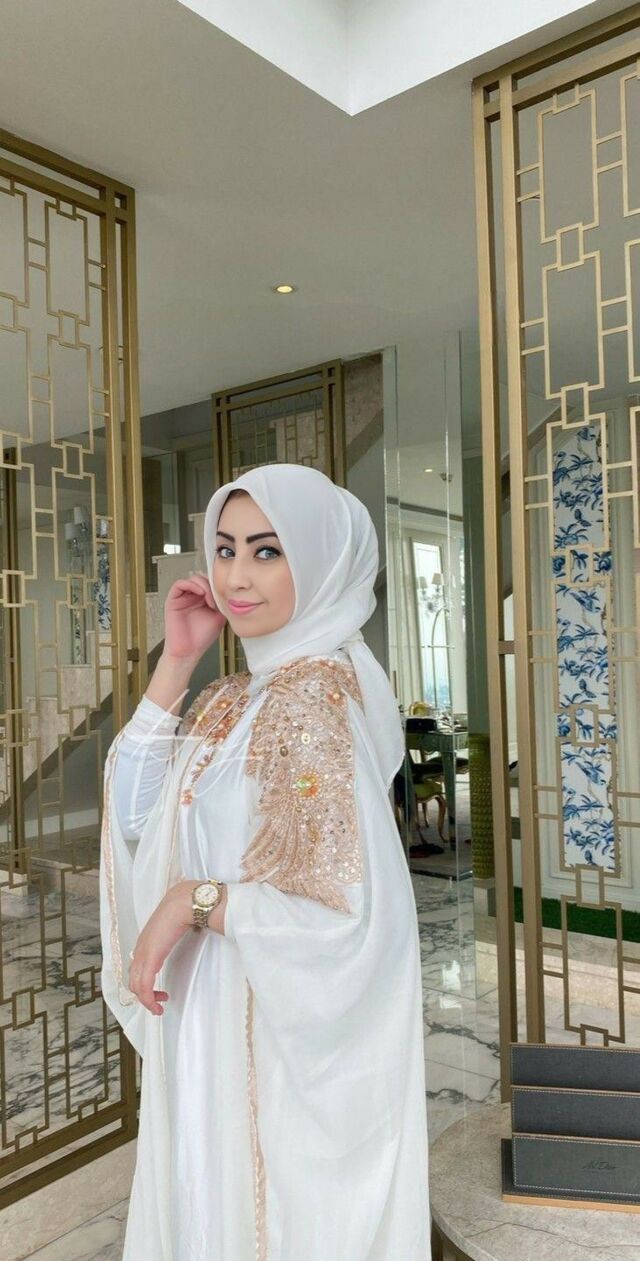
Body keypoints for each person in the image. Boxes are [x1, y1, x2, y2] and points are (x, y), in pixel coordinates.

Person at [99, 462, 431, 1260]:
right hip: (210, 1018)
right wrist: (178, 661)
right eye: (225, 549)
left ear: (318, 562)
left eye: (267, 551)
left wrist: (195, 900)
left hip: (269, 1037)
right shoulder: (236, 696)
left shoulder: (316, 701)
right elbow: (136, 811)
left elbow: (345, 918)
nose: (236, 576)